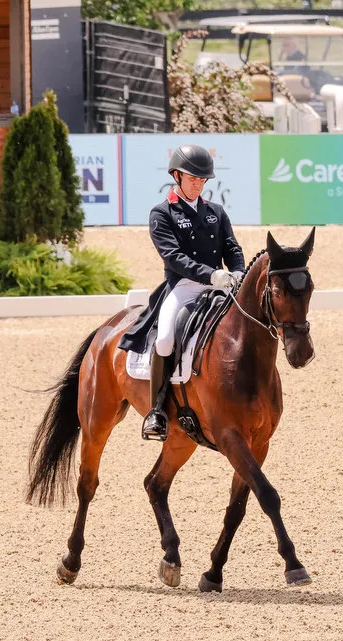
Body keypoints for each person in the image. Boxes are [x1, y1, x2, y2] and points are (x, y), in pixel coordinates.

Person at [118, 144, 246, 441]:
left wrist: (237, 271)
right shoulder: (162, 214)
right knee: (164, 338)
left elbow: (232, 247)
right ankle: (157, 411)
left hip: (221, 283)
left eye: (202, 180)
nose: (197, 184)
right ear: (176, 175)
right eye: (192, 178)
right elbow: (173, 256)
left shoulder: (215, 212)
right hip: (183, 287)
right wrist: (210, 273)